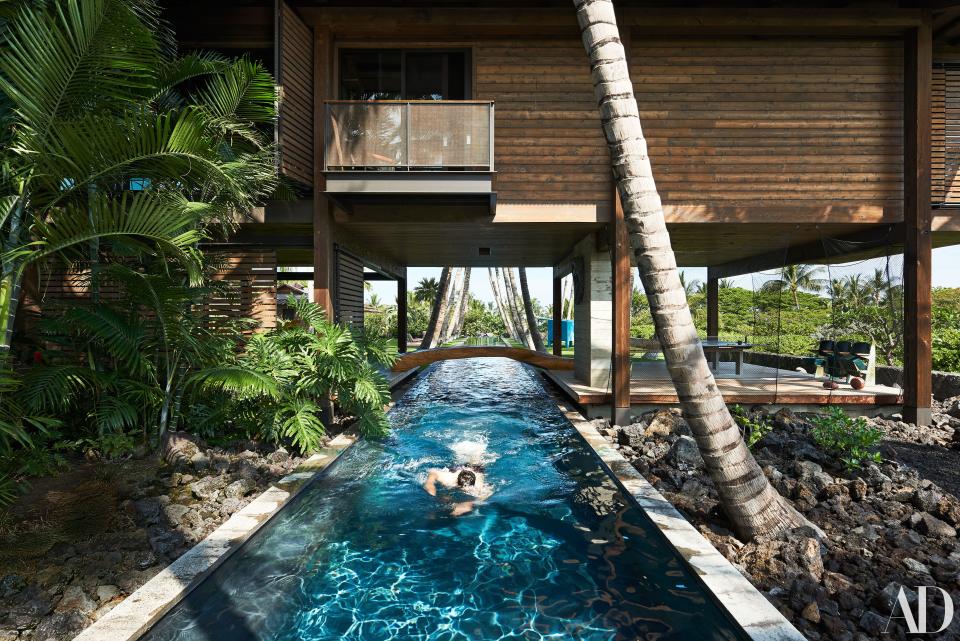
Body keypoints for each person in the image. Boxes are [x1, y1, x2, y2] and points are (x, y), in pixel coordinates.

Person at [422, 465, 493, 516]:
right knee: (444, 496)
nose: (466, 489)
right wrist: (430, 484)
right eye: (463, 487)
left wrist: (468, 504)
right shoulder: (448, 479)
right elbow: (433, 472)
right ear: (457, 483)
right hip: (457, 468)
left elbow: (486, 496)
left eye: (467, 487)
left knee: (477, 464)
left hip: (476, 469)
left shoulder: (478, 487)